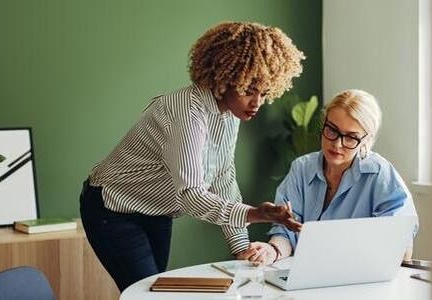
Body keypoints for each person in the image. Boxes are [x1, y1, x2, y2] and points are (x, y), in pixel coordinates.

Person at [79, 21, 306, 291]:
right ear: (225, 78)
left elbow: (223, 179)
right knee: (145, 293)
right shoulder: (186, 112)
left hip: (157, 210)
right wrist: (256, 214)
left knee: (155, 291)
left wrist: (242, 247)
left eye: (264, 93)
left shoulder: (228, 114)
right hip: (113, 209)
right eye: (249, 90)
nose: (256, 102)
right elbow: (192, 195)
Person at [238, 89, 419, 265]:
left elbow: (401, 242)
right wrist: (273, 251)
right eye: (332, 130)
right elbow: (286, 231)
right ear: (323, 124)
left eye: (350, 138)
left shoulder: (380, 174)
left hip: (359, 279)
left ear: (365, 140)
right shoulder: (302, 169)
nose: (337, 144)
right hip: (308, 274)